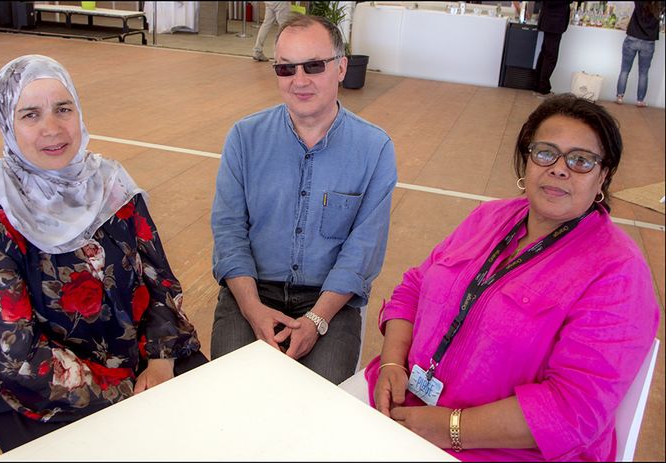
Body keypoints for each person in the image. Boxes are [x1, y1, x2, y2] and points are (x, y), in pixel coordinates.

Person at [347, 94, 659, 461]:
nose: (559, 169)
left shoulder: (618, 271)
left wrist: (449, 428)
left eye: (580, 160)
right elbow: (414, 288)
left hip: (498, 451)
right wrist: (391, 364)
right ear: (526, 160)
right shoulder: (490, 217)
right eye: (545, 153)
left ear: (603, 176)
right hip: (400, 406)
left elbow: (573, 410)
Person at [0, 55, 207, 452]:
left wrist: (160, 362)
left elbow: (159, 280)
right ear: (7, 123)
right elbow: (14, 354)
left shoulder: (110, 183)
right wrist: (125, 395)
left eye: (63, 109)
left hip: (143, 361)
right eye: (30, 114)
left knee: (222, 430)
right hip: (42, 392)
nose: (52, 128)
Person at [210, 15, 397, 385]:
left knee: (317, 402)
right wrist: (252, 309)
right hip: (251, 289)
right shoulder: (244, 138)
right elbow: (228, 230)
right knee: (230, 390)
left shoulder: (375, 149)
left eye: (314, 65)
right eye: (286, 68)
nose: (299, 81)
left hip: (329, 298)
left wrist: (317, 318)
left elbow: (363, 250)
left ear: (341, 67)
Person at [615, 1, 663, 107]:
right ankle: (640, 101)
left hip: (632, 37)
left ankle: (619, 97)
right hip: (648, 42)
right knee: (643, 73)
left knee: (625, 70)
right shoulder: (660, 3)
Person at [533, 0, 571, 96]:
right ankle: (543, 89)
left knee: (545, 54)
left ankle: (538, 86)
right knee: (550, 56)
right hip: (553, 22)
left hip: (551, 22)